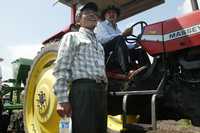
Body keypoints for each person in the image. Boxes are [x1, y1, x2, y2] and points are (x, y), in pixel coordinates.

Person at [53, 2, 107, 133]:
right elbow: (61, 68)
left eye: (95, 14)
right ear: (78, 19)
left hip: (100, 92)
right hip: (82, 90)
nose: (92, 15)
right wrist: (62, 99)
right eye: (87, 13)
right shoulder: (71, 37)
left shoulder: (100, 46)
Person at [94, 5, 133, 74]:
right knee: (119, 39)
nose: (111, 14)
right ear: (105, 16)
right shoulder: (100, 25)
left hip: (115, 52)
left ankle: (148, 73)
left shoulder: (117, 30)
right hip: (104, 54)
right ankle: (127, 71)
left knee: (139, 51)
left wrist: (137, 44)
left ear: (116, 16)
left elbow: (123, 46)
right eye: (109, 13)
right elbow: (102, 39)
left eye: (114, 13)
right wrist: (122, 35)